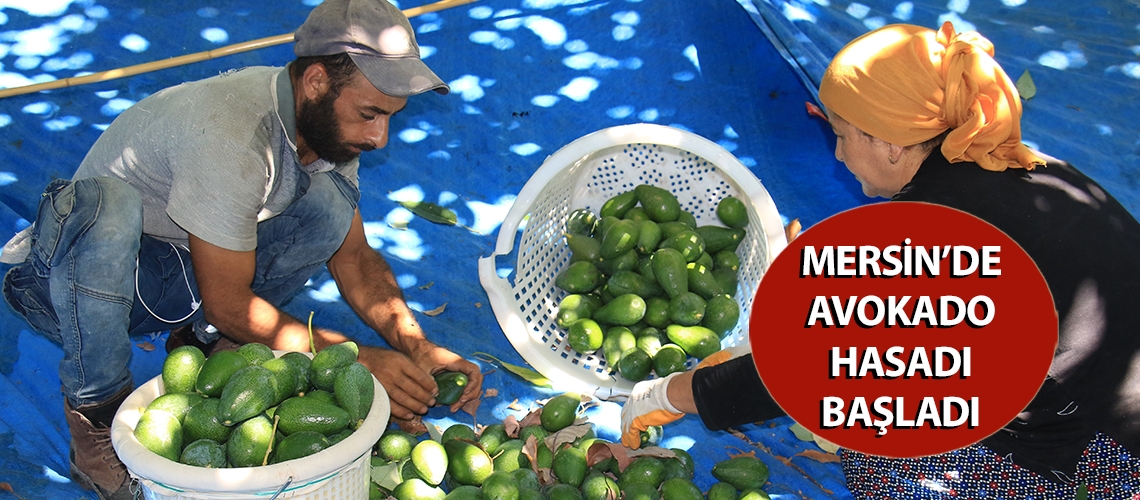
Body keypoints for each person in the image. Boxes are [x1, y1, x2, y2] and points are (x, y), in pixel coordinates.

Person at [620, 22, 1140, 498]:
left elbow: (818, 374)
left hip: (1112, 453)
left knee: (879, 454)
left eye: (842, 136)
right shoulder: (1025, 167)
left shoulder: (929, 236)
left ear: (890, 144)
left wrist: (671, 392)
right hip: (1098, 399)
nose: (840, 155)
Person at [0, 0, 483, 498]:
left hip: (187, 267)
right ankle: (95, 417)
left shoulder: (322, 126)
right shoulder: (232, 134)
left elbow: (353, 256)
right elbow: (228, 299)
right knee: (107, 208)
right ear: (316, 82)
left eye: (389, 117)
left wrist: (416, 346)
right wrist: (355, 358)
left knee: (330, 204)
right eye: (370, 114)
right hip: (81, 286)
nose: (379, 136)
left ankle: (207, 340)